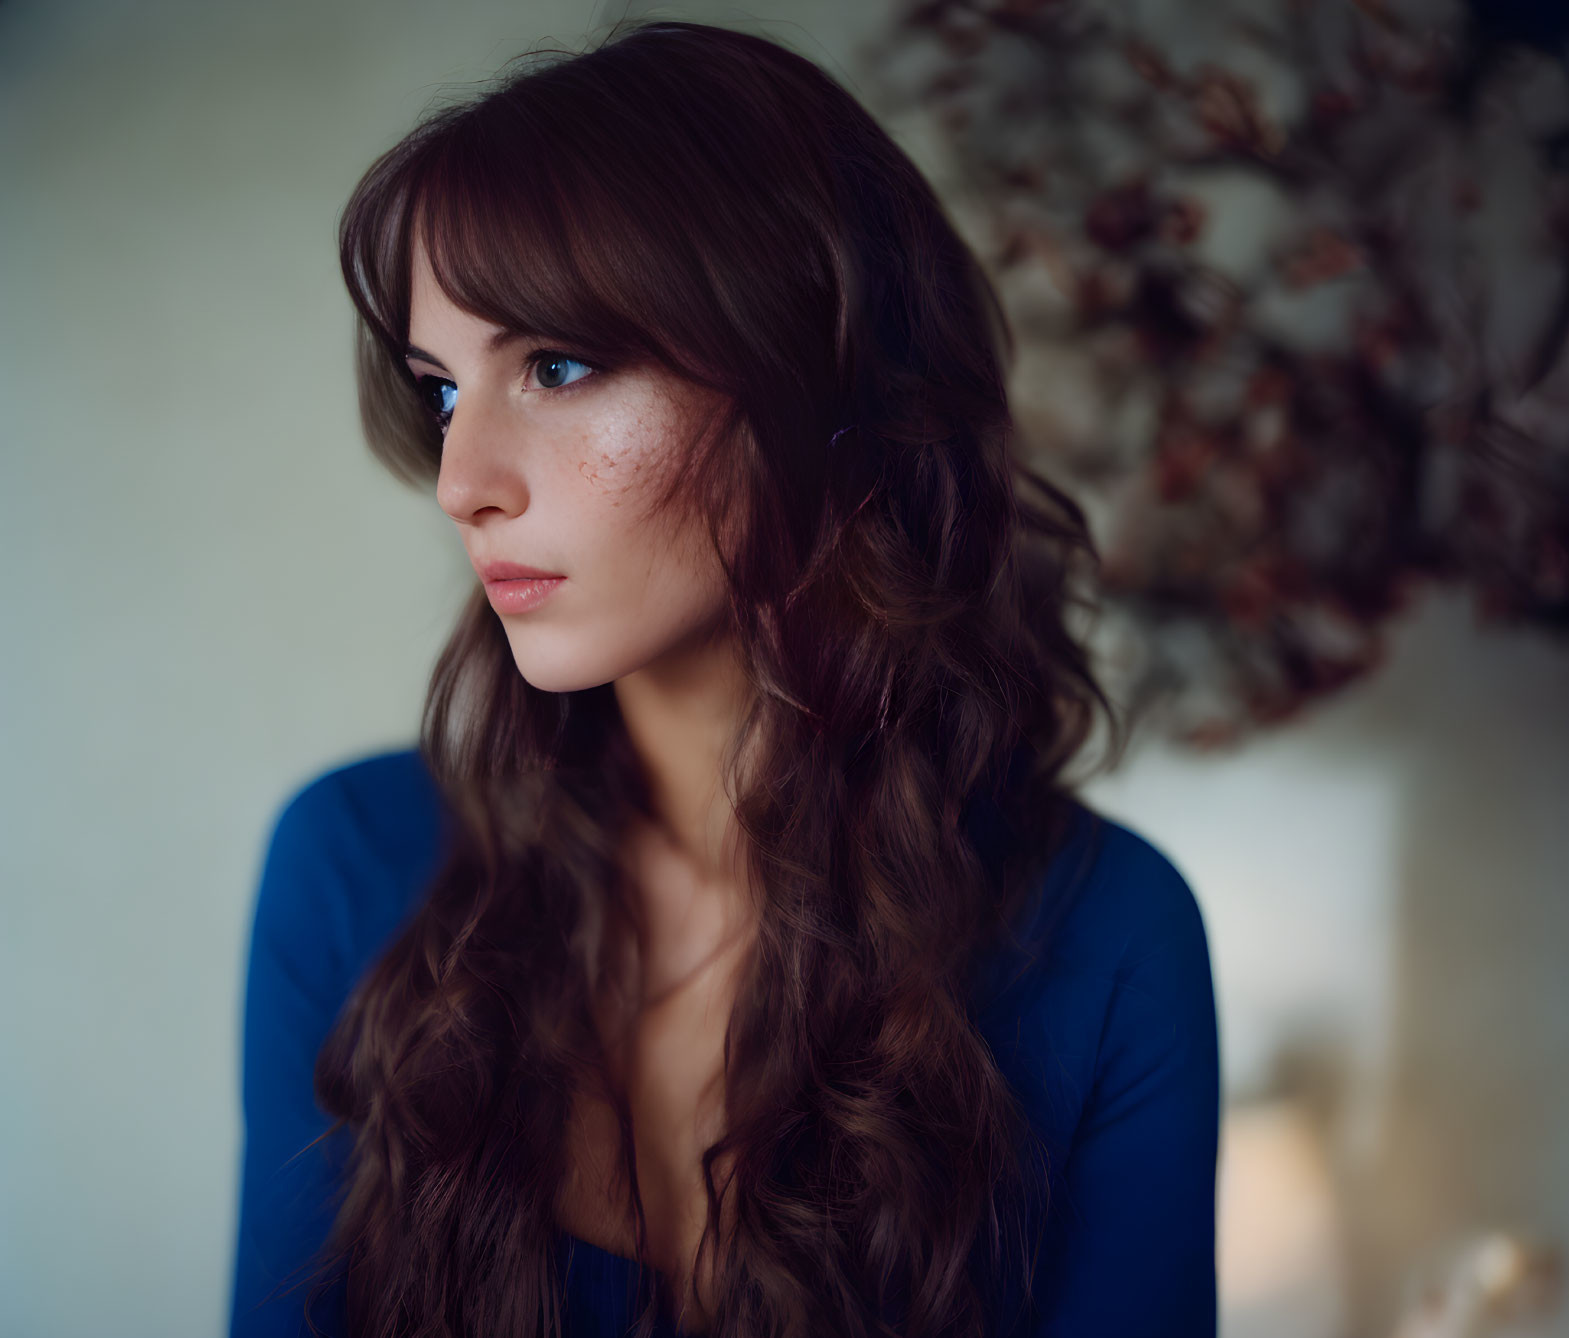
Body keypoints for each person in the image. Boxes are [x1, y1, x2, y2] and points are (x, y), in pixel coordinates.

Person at [228, 17, 1220, 1338]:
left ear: (812, 374)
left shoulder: (1102, 941)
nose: (462, 482)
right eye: (441, 391)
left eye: (556, 364)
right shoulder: (355, 867)